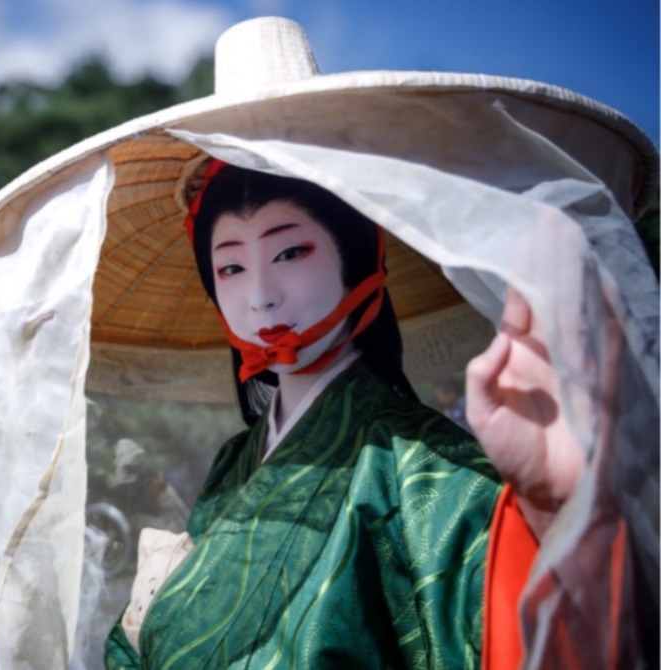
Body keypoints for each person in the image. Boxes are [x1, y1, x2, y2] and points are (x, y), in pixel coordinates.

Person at [104, 162, 586, 669]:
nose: (261, 294)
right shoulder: (235, 459)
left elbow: (509, 634)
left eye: (290, 252)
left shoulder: (426, 464)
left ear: (358, 255)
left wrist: (550, 510)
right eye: (231, 268)